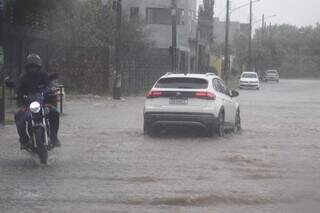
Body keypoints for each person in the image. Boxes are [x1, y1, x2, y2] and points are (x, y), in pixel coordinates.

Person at [15, 54, 61, 150]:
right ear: (27, 67)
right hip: (28, 105)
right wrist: (22, 96)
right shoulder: (23, 77)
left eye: (35, 66)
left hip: (43, 103)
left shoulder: (43, 75)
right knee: (18, 115)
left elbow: (48, 85)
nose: (33, 69)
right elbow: (19, 90)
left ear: (38, 66)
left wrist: (46, 92)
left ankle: (54, 137)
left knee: (55, 113)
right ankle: (24, 140)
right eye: (31, 66)